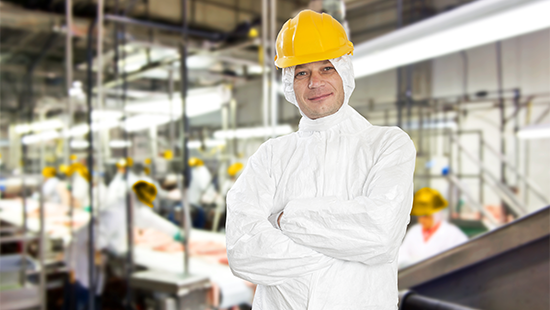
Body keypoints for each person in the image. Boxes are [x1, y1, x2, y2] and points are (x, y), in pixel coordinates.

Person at [226, 10, 416, 310]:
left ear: (345, 71)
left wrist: (285, 219)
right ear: (290, 83)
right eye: (302, 73)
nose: (315, 82)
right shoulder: (270, 156)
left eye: (326, 68)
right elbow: (243, 252)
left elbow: (379, 234)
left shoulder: (388, 145)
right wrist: (344, 250)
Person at [398, 188, 468, 268]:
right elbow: (401, 254)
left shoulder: (452, 233)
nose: (422, 219)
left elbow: (464, 258)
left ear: (437, 214)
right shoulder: (414, 231)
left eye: (426, 216)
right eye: (419, 215)